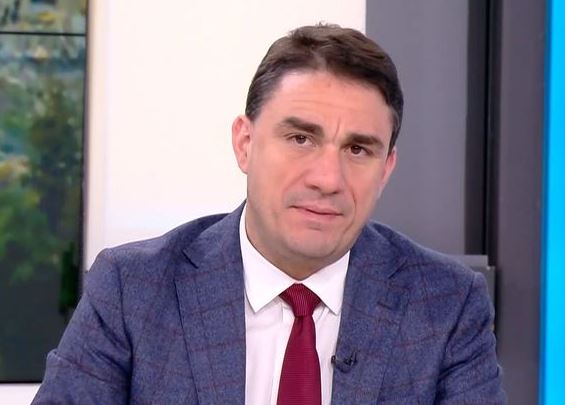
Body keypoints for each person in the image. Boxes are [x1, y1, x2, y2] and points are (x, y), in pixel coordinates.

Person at [33, 24, 506, 404]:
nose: (328, 178)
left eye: (358, 149)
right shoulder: (133, 288)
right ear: (245, 144)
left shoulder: (445, 304)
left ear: (386, 169)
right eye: (301, 138)